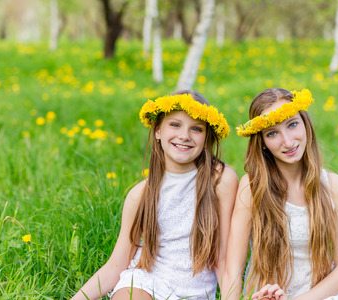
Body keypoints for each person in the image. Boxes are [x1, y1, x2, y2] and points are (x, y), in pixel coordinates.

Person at [72, 90, 238, 300]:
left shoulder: (220, 180)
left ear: (206, 138)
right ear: (158, 131)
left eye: (196, 129)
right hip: (144, 283)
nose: (184, 136)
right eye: (175, 125)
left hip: (193, 293)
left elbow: (222, 258)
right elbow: (116, 265)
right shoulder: (140, 194)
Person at [221, 88, 338, 300]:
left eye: (292, 125)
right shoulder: (252, 187)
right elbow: (233, 269)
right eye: (272, 133)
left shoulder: (333, 185)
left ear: (305, 124)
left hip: (322, 294)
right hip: (267, 296)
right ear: (263, 142)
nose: (287, 141)